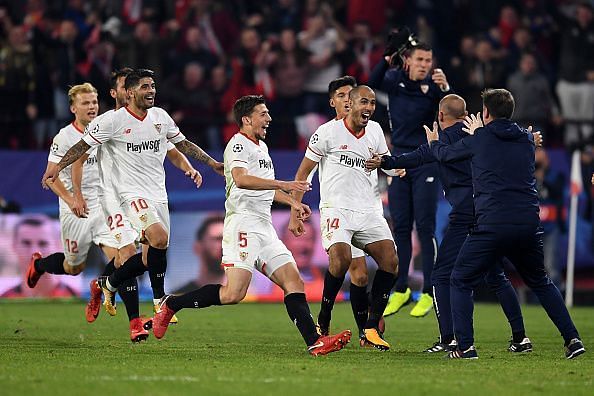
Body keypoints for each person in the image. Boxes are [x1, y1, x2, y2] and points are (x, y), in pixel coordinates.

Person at [152, 95, 352, 356]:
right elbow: (242, 179)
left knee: (293, 281)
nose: (268, 119)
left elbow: (265, 190)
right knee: (234, 293)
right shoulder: (237, 145)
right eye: (263, 114)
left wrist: (292, 203)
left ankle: (314, 341)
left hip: (264, 226)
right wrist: (283, 184)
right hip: (243, 225)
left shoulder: (262, 148)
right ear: (247, 119)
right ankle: (172, 304)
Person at [40, 69, 224, 325]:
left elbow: (181, 144)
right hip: (127, 196)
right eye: (145, 87)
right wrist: (57, 167)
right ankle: (157, 303)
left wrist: (211, 163)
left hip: (158, 194)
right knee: (154, 239)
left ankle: (109, 283)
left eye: (153, 86)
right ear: (130, 92)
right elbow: (82, 148)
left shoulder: (160, 117)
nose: (151, 91)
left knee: (151, 256)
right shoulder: (112, 122)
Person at [366, 94, 534, 354]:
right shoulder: (480, 134)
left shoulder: (442, 140)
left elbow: (416, 157)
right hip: (490, 213)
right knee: (496, 275)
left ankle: (449, 338)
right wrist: (528, 138)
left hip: (466, 215)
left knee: (441, 275)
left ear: (440, 116)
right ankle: (520, 338)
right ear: (466, 113)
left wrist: (385, 161)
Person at [428, 88, 585, 360]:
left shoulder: (479, 139)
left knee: (460, 278)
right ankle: (572, 339)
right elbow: (521, 139)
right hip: (527, 223)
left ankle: (464, 346)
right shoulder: (526, 139)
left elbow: (446, 155)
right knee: (540, 281)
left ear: (485, 112)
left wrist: (434, 142)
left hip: (492, 223)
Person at [73, 68, 200, 330]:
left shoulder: (152, 119)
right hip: (113, 198)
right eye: (124, 87)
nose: (128, 91)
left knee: (145, 259)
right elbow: (81, 156)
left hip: (148, 195)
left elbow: (172, 148)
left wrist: (189, 166)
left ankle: (105, 284)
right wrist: (76, 194)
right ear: (118, 92)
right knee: (130, 251)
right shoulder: (108, 122)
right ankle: (137, 319)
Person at [290, 85, 399, 351]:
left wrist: (395, 168)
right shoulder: (326, 133)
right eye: (365, 102)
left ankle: (371, 328)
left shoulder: (374, 132)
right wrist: (296, 211)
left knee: (391, 261)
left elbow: (387, 164)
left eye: (373, 103)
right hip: (336, 208)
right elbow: (302, 174)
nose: (370, 108)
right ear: (349, 104)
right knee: (341, 259)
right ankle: (324, 319)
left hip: (369, 209)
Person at [368, 42, 451, 317]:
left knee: (425, 228)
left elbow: (452, 118)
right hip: (400, 161)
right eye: (420, 59)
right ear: (408, 61)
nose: (425, 64)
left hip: (426, 160)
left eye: (429, 60)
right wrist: (387, 57)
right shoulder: (395, 81)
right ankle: (401, 288)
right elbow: (370, 83)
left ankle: (429, 291)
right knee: (401, 228)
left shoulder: (437, 87)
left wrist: (446, 90)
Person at [25, 83, 123, 303]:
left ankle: (111, 298)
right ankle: (39, 265)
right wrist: (71, 200)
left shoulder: (106, 128)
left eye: (94, 102)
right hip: (74, 209)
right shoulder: (64, 137)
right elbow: (51, 177)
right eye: (85, 103)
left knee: (122, 257)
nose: (92, 107)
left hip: (103, 204)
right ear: (73, 108)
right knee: (73, 267)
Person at [2, 216, 77, 298]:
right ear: (14, 246)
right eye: (26, 243)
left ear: (58, 246)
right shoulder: (5, 300)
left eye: (43, 243)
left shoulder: (78, 299)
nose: (34, 252)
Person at [174, 214, 225, 294]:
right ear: (198, 247)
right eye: (218, 239)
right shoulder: (179, 296)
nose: (224, 246)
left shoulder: (244, 295)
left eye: (227, 240)